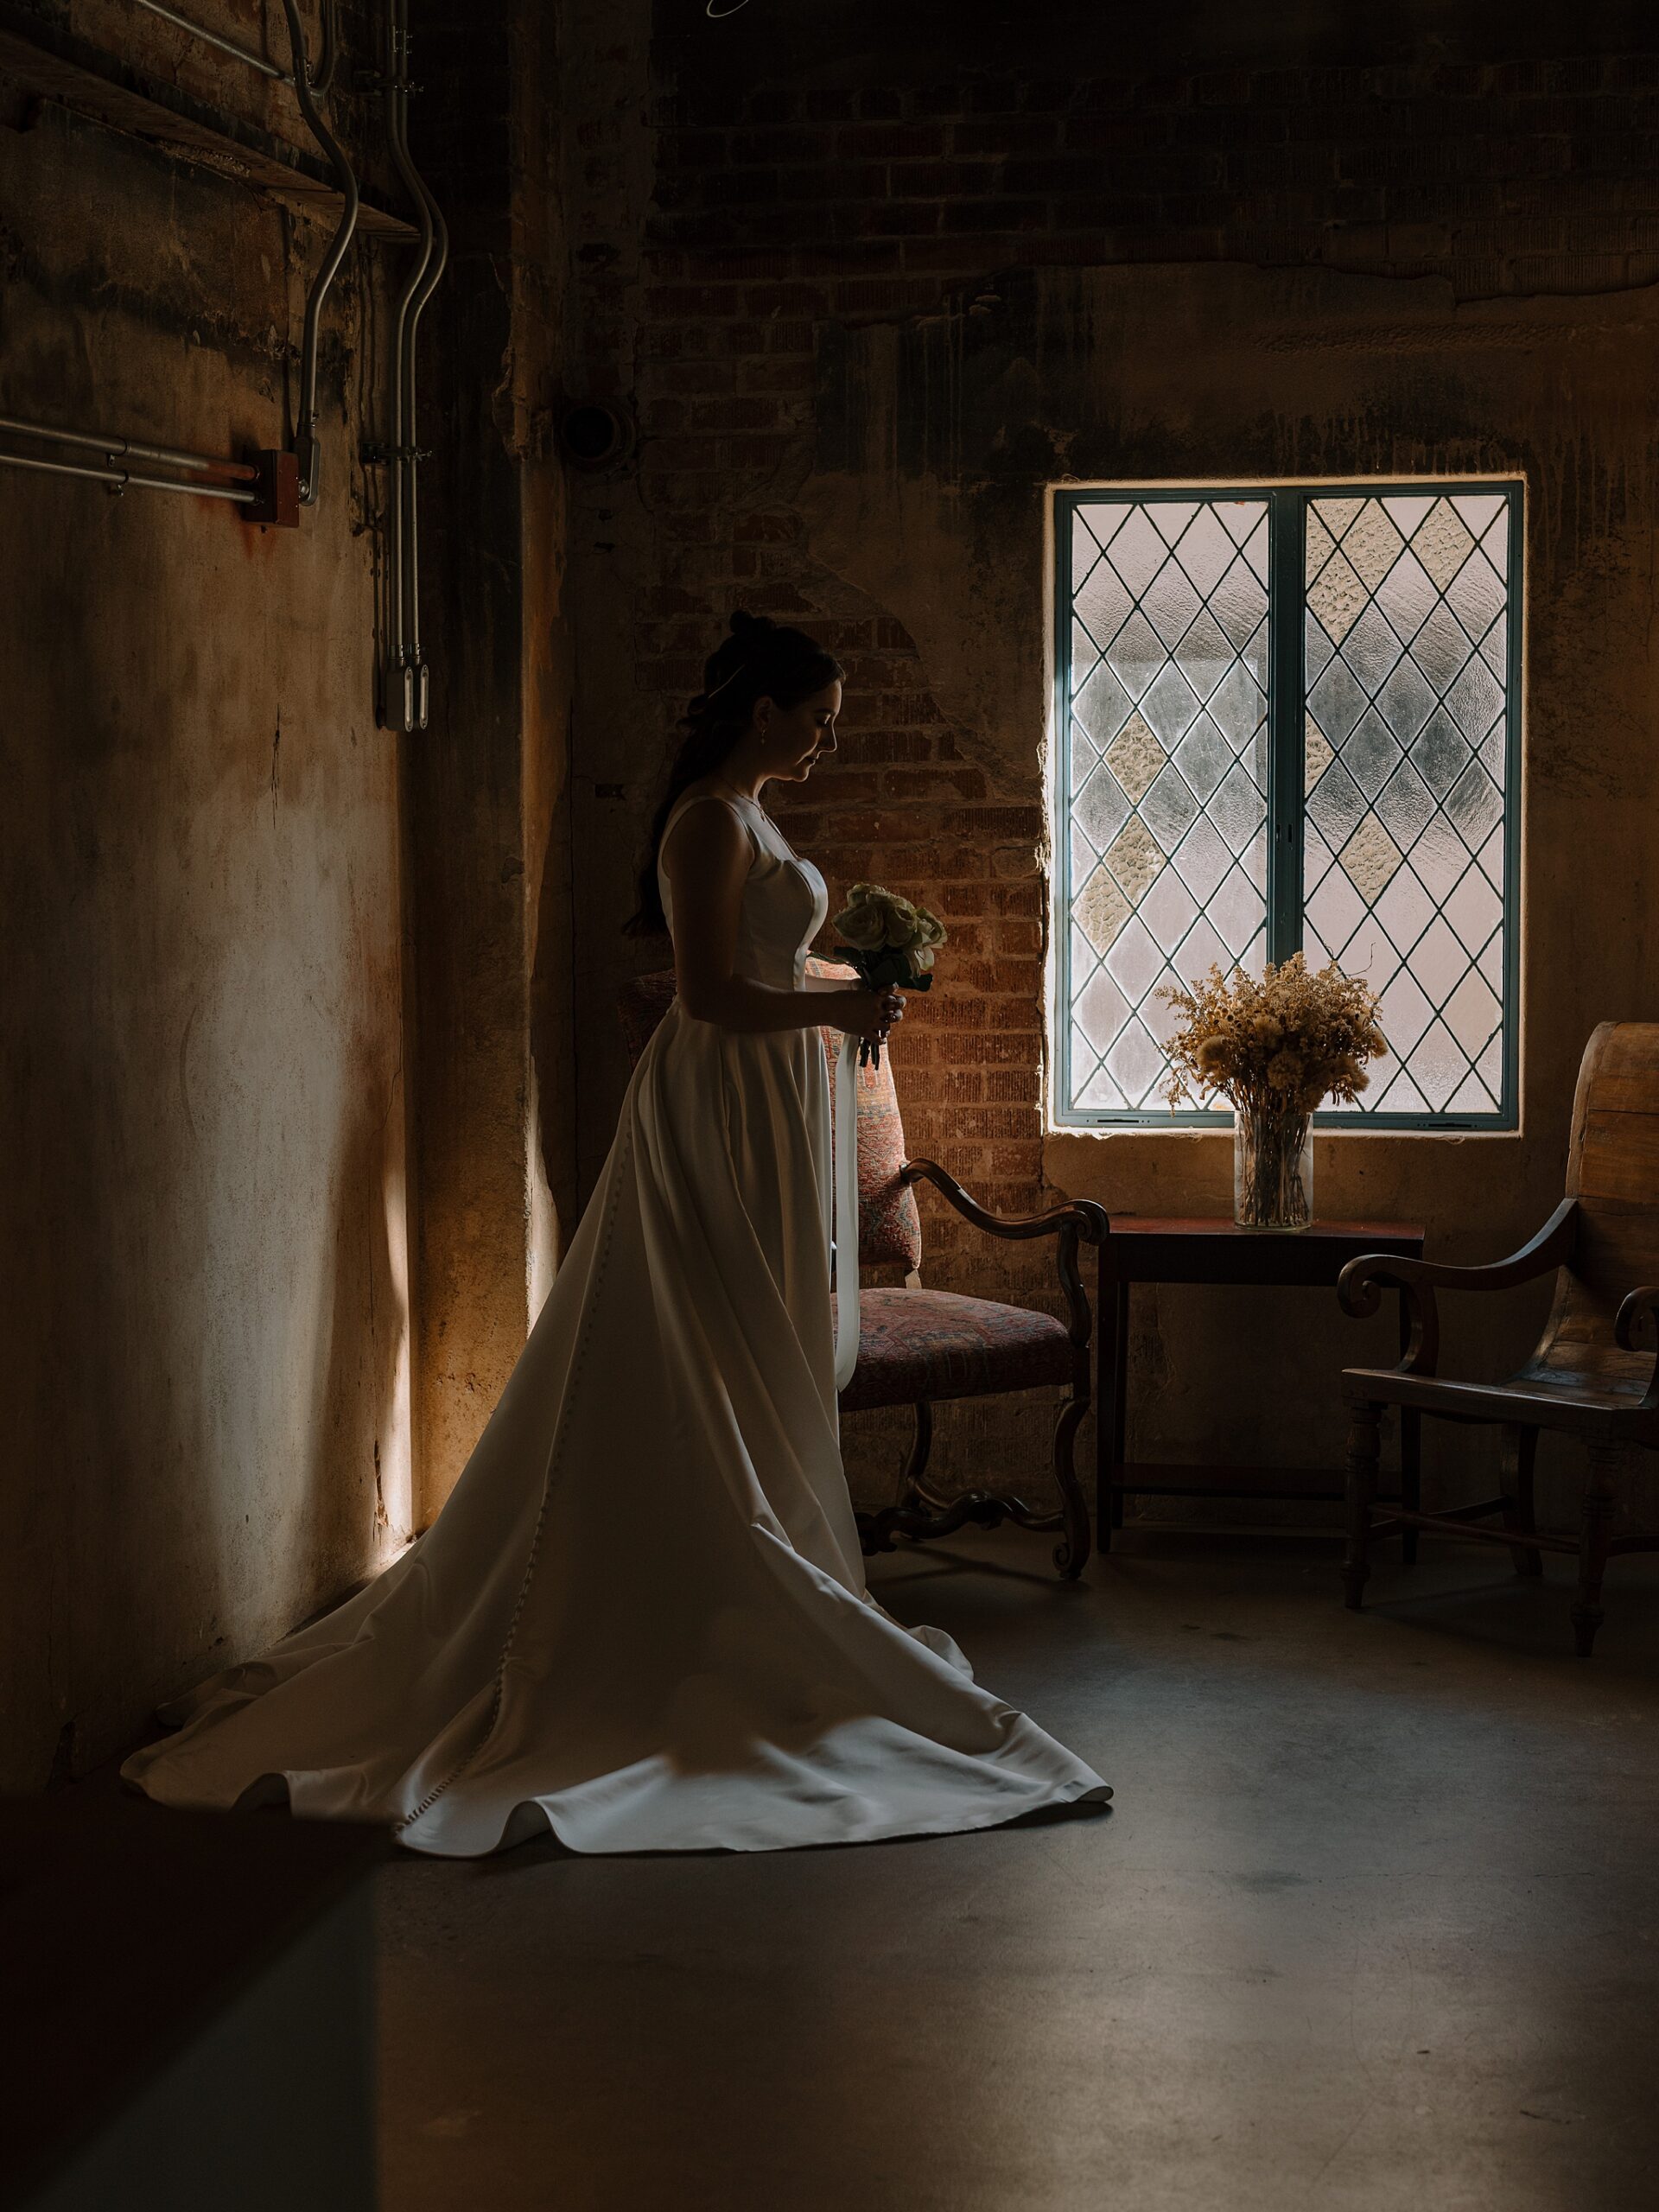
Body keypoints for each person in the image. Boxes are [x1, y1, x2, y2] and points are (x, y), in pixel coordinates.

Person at [121, 612, 1109, 1856]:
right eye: (816, 721)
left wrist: (844, 991)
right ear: (764, 711)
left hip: (770, 1099)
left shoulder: (751, 815)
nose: (822, 744)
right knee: (697, 1336)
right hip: (717, 1102)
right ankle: (663, 1601)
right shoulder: (704, 821)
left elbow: (764, 962)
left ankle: (731, 1576)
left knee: (749, 1347)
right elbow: (702, 994)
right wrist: (842, 997)